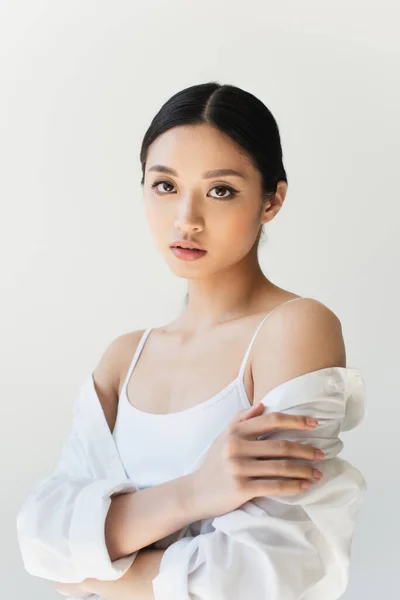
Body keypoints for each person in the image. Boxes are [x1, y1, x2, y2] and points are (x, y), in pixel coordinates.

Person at [16, 82, 367, 600]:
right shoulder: (124, 358)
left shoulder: (294, 329)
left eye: (220, 190)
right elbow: (40, 537)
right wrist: (194, 493)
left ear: (272, 200)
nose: (187, 219)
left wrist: (94, 566)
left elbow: (267, 574)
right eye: (164, 186)